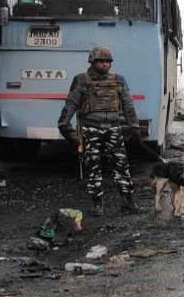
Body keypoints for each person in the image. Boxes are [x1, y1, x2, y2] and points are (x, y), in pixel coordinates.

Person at [58, 47, 140, 217]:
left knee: (122, 165)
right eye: (101, 61)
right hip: (90, 129)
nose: (105, 64)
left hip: (113, 129)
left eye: (108, 61)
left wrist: (134, 126)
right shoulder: (81, 80)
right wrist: (69, 132)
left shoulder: (118, 80)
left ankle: (128, 202)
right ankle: (97, 205)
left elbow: (127, 104)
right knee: (93, 167)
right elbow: (70, 105)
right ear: (92, 62)